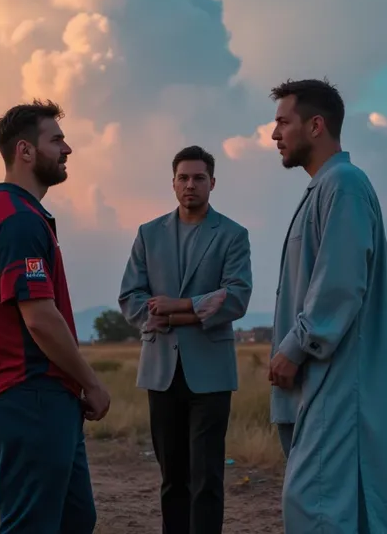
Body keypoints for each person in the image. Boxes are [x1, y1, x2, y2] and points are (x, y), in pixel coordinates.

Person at [269, 78, 387, 534]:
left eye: (282, 122)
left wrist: (297, 347)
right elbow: (384, 296)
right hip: (334, 377)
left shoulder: (344, 186)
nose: (274, 135)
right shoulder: (331, 188)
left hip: (335, 377)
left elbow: (341, 284)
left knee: (317, 506)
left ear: (316, 125)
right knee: (347, 503)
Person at [0, 100, 111, 534]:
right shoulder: (15, 220)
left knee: (75, 519)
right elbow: (40, 319)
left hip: (47, 398)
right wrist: (92, 381)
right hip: (28, 394)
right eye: (57, 140)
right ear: (25, 152)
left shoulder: (23, 215)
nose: (67, 150)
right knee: (31, 525)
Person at [119, 145, 252, 534]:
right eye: (183, 178)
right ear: (173, 183)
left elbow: (237, 297)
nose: (190, 185)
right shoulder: (148, 234)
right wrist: (180, 312)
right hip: (161, 371)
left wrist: (176, 307)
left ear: (212, 182)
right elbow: (131, 296)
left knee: (207, 478)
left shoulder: (232, 235)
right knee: (172, 477)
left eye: (198, 178)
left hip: (210, 373)